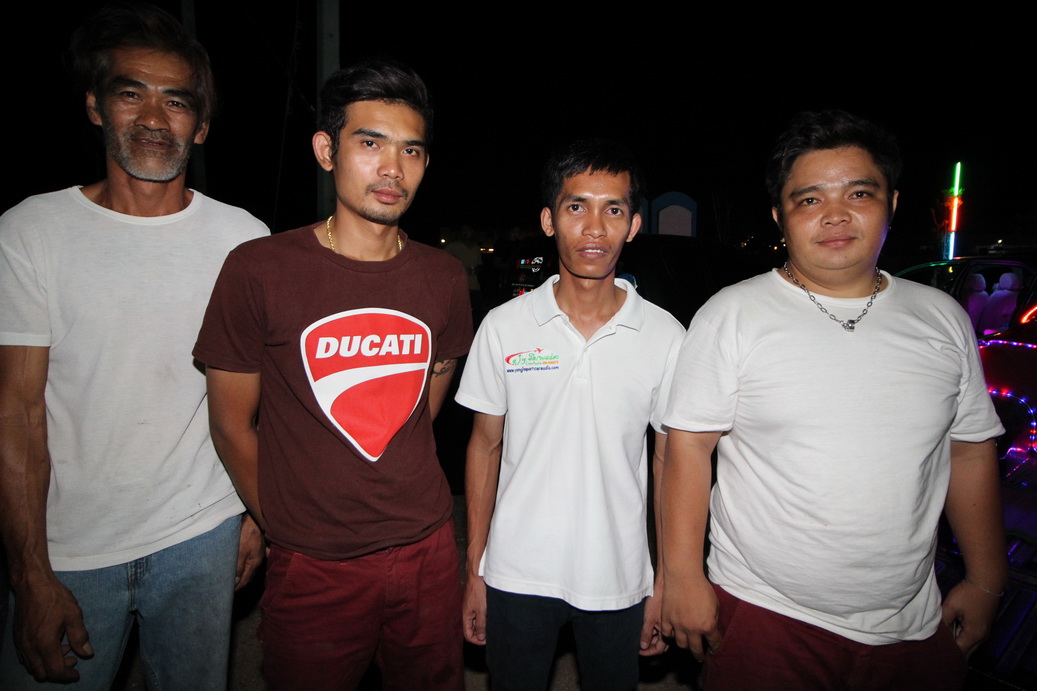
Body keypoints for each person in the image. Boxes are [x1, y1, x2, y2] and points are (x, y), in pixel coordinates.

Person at [660, 110, 1006, 690]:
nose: (836, 214)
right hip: (765, 611)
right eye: (809, 199)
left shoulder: (942, 318)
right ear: (780, 217)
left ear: (892, 203)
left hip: (913, 620)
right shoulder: (733, 315)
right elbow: (687, 449)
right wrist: (684, 579)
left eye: (859, 193)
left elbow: (969, 451)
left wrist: (986, 577)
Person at [0, 4, 268, 689]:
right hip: (70, 549)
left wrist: (254, 515)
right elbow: (17, 414)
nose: (153, 117)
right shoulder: (32, 232)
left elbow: (261, 400)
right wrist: (29, 573)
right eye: (130, 93)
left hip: (203, 535)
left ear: (200, 126)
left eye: (175, 101)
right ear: (95, 107)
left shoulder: (244, 239)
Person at [193, 58, 472, 690]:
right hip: (314, 564)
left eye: (411, 150)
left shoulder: (445, 277)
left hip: (427, 547)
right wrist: (284, 524)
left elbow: (424, 400)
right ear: (326, 150)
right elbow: (231, 425)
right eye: (370, 143)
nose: (392, 168)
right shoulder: (259, 269)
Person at [456, 140, 684, 690]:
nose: (595, 228)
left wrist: (664, 582)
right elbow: (485, 445)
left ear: (633, 225)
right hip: (515, 572)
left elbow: (669, 464)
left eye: (614, 209)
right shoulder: (504, 326)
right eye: (576, 206)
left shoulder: (665, 335)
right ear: (548, 220)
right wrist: (475, 570)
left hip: (618, 575)